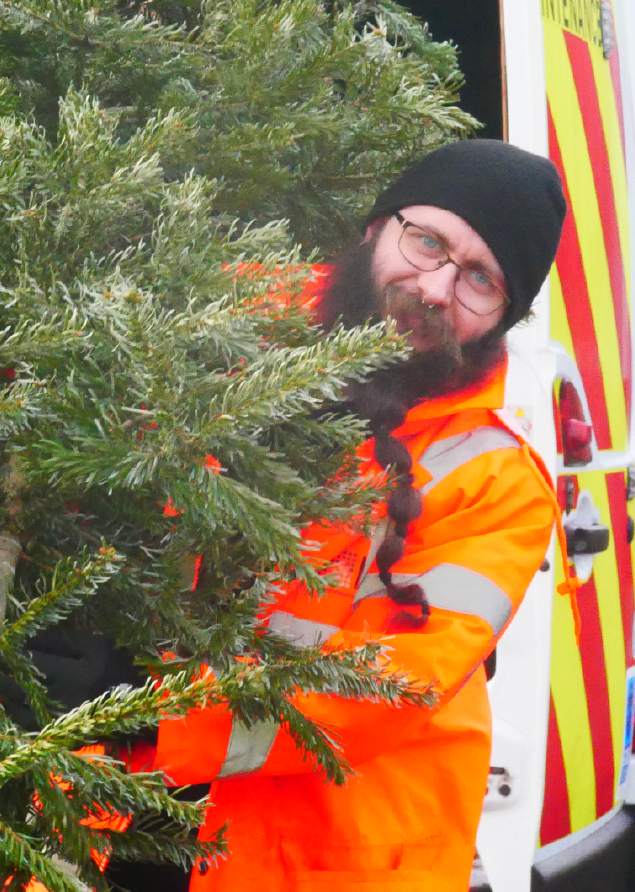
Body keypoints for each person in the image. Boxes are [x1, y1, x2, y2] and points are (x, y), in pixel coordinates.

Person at [118, 139, 570, 892]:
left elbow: (384, 684)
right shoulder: (220, 322)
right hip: (102, 830)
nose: (434, 287)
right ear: (374, 229)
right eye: (427, 241)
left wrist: (152, 710)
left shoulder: (493, 478)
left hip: (317, 861)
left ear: (503, 318)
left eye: (480, 280)